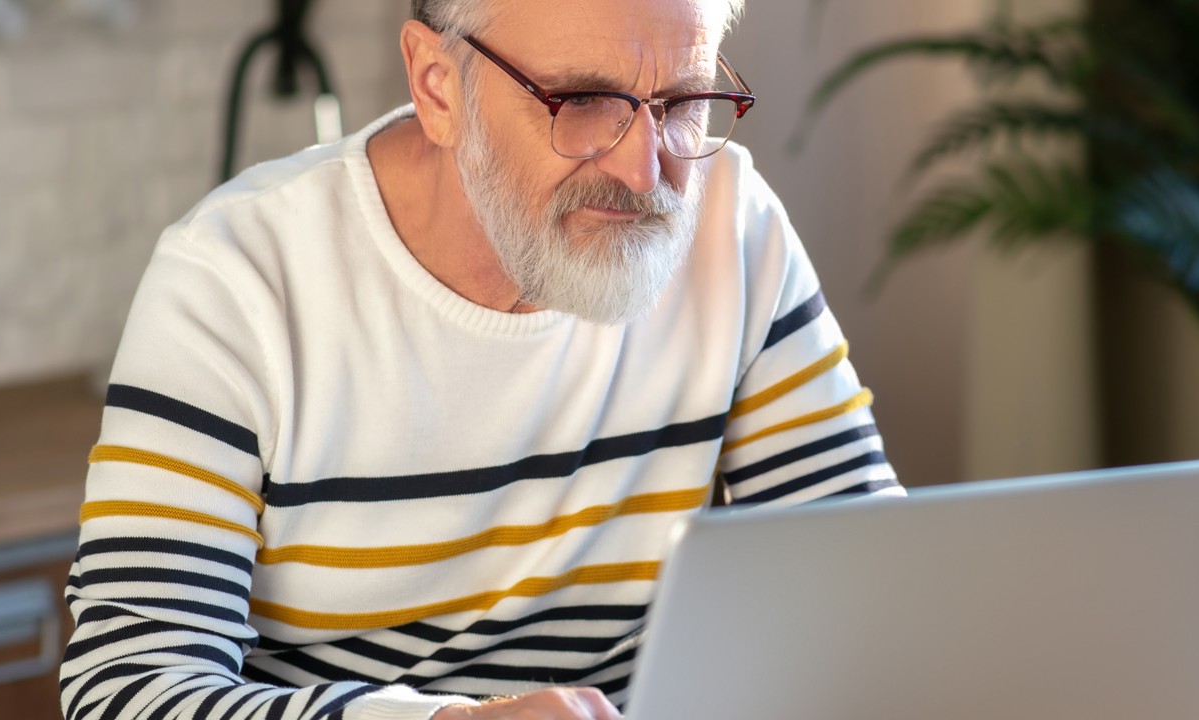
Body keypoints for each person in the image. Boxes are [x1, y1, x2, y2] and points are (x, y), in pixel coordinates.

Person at [58, 0, 901, 717]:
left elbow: (873, 590)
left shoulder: (733, 228)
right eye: (581, 99)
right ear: (437, 87)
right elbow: (128, 689)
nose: (647, 172)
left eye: (684, 102)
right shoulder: (234, 283)